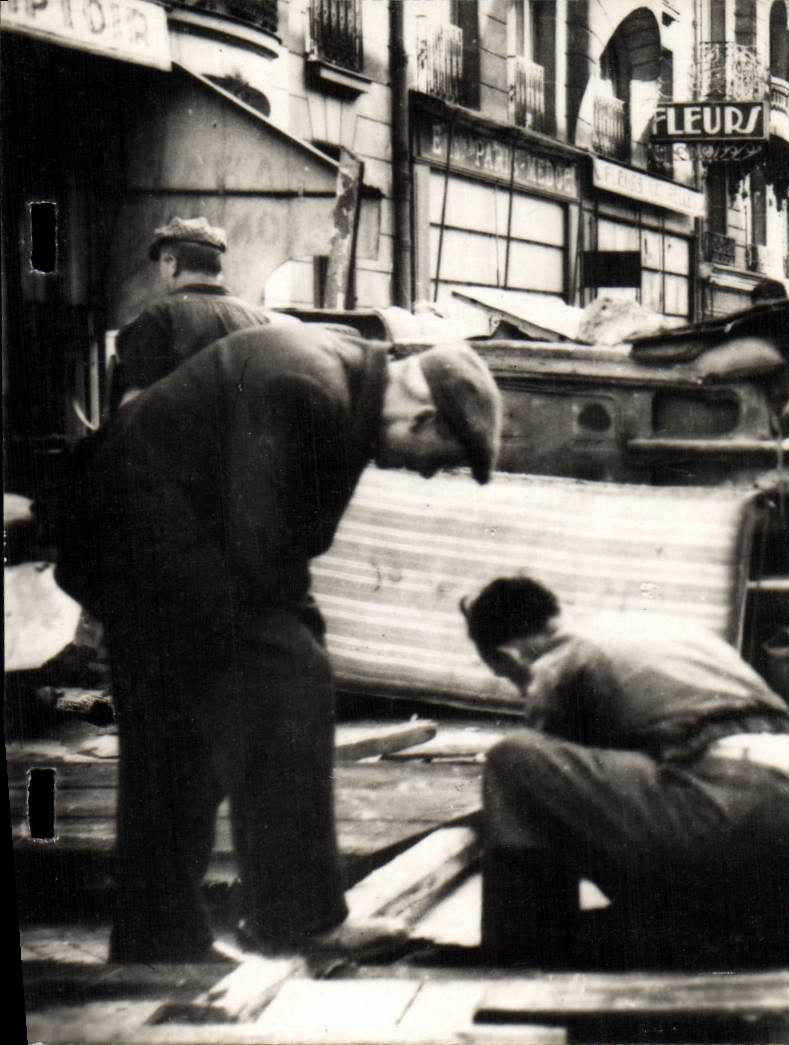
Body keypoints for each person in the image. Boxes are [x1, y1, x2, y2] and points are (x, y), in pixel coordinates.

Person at [57, 322, 503, 964]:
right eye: (442, 461)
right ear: (425, 418)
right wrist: (305, 646)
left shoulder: (341, 384)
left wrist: (305, 628)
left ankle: (157, 941)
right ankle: (298, 922)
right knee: (290, 686)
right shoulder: (309, 388)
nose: (430, 475)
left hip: (138, 544)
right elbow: (262, 546)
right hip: (145, 543)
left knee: (176, 741)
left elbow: (282, 548)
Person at [461, 576, 789, 969]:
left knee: (513, 762)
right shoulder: (660, 630)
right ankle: (753, 923)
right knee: (633, 806)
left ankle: (520, 948)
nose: (520, 690)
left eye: (509, 678)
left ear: (509, 657)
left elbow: (551, 808)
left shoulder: (559, 663)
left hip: (727, 822)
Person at [110, 216, 273, 407]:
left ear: (171, 263)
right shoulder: (258, 320)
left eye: (162, 263)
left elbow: (134, 405)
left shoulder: (158, 317)